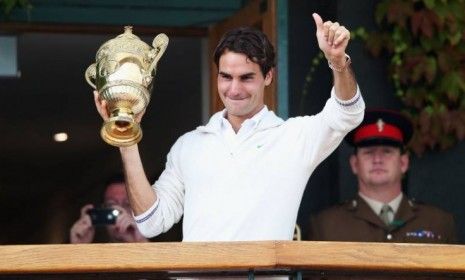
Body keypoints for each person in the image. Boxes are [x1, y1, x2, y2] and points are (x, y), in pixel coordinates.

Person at [93, 13, 365, 241]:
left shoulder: (294, 137)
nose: (234, 89)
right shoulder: (189, 145)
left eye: (246, 78)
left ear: (268, 76)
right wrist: (126, 140)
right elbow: (151, 222)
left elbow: (347, 113)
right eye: (226, 77)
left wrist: (338, 62)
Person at [309, 109, 457, 243]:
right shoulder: (326, 225)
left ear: (403, 163)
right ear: (354, 164)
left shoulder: (438, 222)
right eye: (369, 152)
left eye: (387, 151)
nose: (377, 160)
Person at [70, 175, 148, 243]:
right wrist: (79, 248)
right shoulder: (95, 256)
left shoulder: (149, 245)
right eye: (111, 205)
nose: (120, 211)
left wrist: (140, 241)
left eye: (127, 204)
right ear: (102, 211)